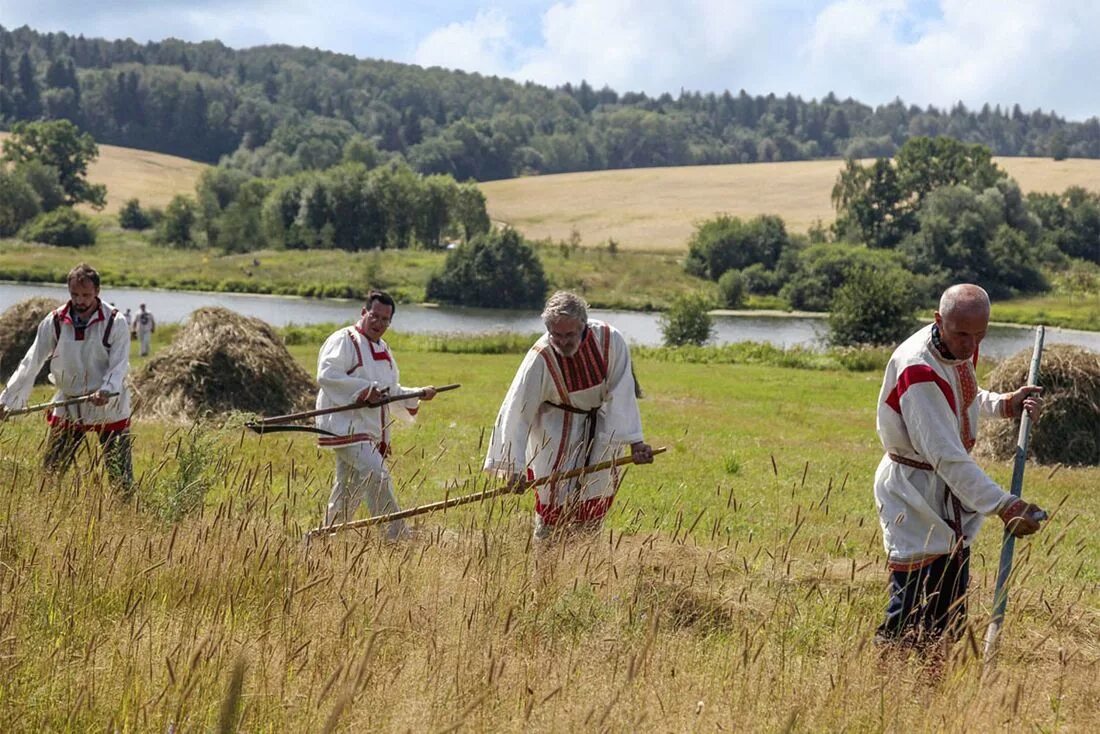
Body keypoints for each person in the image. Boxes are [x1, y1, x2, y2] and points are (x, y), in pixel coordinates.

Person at [873, 284, 1046, 648]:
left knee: (949, 605)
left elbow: (963, 394)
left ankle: (934, 688)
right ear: (939, 320)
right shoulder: (917, 368)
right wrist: (1005, 505)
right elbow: (946, 456)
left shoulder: (956, 344)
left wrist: (1004, 405)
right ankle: (886, 685)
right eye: (963, 334)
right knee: (910, 603)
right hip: (913, 492)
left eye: (980, 334)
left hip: (947, 489)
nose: (970, 345)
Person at [484, 291, 654, 541]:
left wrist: (635, 442)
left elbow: (623, 393)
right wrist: (514, 467)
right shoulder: (539, 357)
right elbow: (518, 410)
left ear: (583, 325)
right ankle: (546, 569)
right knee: (553, 508)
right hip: (553, 434)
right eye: (556, 335)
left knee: (592, 507)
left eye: (570, 335)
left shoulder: (609, 340)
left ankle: (584, 565)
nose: (563, 342)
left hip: (600, 432)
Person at [315, 289, 437, 539]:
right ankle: (397, 537)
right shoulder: (344, 340)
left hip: (367, 430)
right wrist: (364, 391)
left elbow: (390, 391)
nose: (379, 323)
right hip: (343, 426)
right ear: (363, 312)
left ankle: (324, 539)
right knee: (377, 474)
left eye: (385, 320)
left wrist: (418, 393)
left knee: (348, 488)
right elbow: (327, 375)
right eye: (375, 316)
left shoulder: (384, 349)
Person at [0, 263, 133, 491]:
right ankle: (47, 507)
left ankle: (128, 512)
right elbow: (31, 362)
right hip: (69, 403)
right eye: (75, 294)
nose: (80, 301)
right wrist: (6, 400)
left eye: (86, 295)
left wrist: (107, 389)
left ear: (97, 292)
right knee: (50, 473)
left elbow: (119, 364)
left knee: (121, 478)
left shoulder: (115, 321)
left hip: (109, 404)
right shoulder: (55, 321)